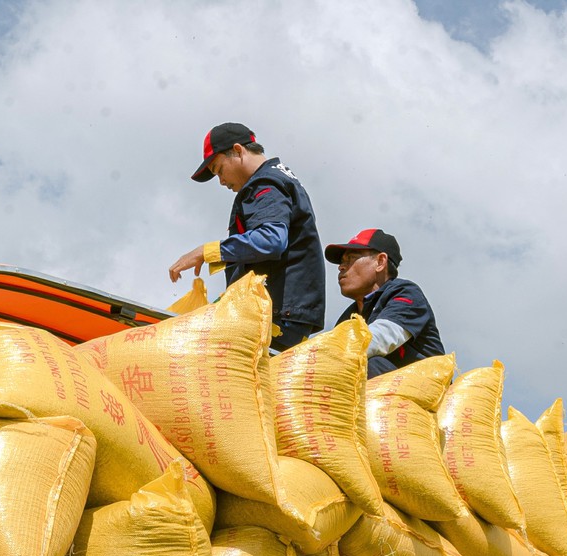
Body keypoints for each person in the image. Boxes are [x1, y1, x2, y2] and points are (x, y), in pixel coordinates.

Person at [167, 122, 325, 351]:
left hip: (276, 316)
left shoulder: (265, 183)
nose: (221, 181)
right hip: (285, 313)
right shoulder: (280, 177)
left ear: (238, 151)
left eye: (219, 170)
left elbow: (271, 240)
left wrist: (206, 252)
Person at [326, 228, 444, 376]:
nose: (341, 267)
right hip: (382, 390)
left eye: (351, 259)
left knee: (368, 364)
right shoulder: (350, 316)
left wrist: (322, 356)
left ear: (380, 262)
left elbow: (380, 338)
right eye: (342, 262)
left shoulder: (405, 292)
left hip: (424, 390)